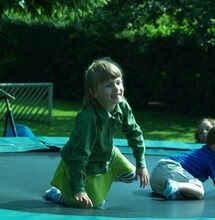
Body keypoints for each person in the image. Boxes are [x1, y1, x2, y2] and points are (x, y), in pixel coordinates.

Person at [43, 57, 149, 208]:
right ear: (93, 92)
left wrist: (141, 163)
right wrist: (78, 189)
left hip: (107, 153)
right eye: (109, 85)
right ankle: (58, 194)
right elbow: (79, 155)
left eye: (118, 82)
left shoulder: (122, 106)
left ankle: (102, 178)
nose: (116, 88)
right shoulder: (88, 118)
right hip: (82, 160)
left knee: (132, 175)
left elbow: (135, 133)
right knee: (90, 204)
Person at [150, 122, 215, 200]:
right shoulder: (214, 158)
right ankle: (176, 185)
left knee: (191, 194)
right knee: (199, 190)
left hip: (156, 177)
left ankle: (174, 190)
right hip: (170, 168)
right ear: (214, 148)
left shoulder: (204, 151)